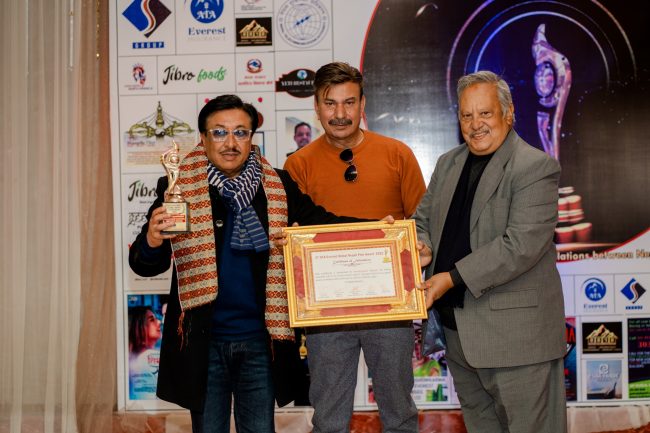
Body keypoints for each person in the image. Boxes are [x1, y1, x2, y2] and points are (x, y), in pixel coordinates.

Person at [129, 94, 366, 433]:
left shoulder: (278, 186)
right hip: (203, 344)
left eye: (240, 132)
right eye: (219, 132)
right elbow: (144, 265)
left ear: (251, 138)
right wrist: (153, 240)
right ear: (203, 138)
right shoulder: (177, 186)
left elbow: (324, 224)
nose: (230, 142)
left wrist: (381, 231)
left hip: (260, 342)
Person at [413, 70, 566, 433]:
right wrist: (421, 246)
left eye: (485, 113)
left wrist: (450, 278)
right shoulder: (448, 163)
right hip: (459, 336)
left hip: (517, 341)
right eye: (467, 115)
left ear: (508, 113)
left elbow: (520, 245)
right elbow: (423, 221)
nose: (475, 124)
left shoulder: (535, 167)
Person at [284, 62, 426, 433]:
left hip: (390, 307)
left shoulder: (397, 154)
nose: (340, 113)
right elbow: (292, 235)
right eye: (330, 103)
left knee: (400, 414)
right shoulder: (297, 165)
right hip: (326, 313)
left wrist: (421, 247)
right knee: (329, 418)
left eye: (349, 102)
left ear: (363, 104)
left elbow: (423, 223)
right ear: (316, 108)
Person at [128, 306, 162, 400]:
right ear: (138, 327)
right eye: (152, 320)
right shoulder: (149, 356)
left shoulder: (131, 359)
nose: (159, 322)